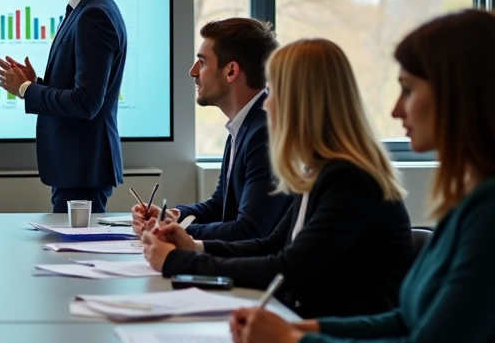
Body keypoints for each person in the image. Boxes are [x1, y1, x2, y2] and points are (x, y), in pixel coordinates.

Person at [233, 9, 495, 343]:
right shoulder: (476, 200)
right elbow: (406, 320)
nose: (396, 109)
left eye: (409, 90)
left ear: (460, 96)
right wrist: (307, 331)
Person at [140, 39, 414, 319]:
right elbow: (272, 244)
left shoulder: (350, 179)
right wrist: (194, 246)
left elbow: (287, 269)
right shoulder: (320, 169)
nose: (266, 104)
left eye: (273, 92)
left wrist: (180, 262)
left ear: (302, 103)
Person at [0, 0, 127, 213]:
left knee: (72, 257)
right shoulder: (84, 10)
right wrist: (37, 82)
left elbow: (86, 102)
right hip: (78, 169)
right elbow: (80, 90)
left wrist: (27, 89)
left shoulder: (94, 15)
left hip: (83, 170)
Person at [135, 17, 291, 241]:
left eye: (203, 62)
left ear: (231, 71)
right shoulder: (244, 125)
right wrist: (172, 217)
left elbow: (249, 231)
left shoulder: (265, 132)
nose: (193, 71)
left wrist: (172, 232)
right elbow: (220, 206)